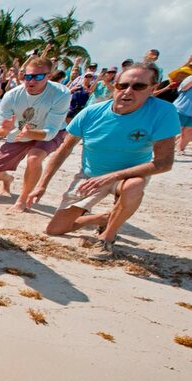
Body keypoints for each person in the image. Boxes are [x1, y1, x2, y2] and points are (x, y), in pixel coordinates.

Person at [27, 63, 180, 260]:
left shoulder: (163, 112)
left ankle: (106, 238)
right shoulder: (91, 113)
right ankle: (104, 218)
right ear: (114, 85)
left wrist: (113, 176)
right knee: (55, 229)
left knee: (135, 185)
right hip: (91, 175)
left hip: (128, 175)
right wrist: (41, 185)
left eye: (138, 87)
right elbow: (63, 150)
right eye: (122, 85)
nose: (128, 91)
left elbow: (163, 163)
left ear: (153, 88)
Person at [0, 57, 70, 210]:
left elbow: (50, 132)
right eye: (28, 76)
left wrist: (30, 132)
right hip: (19, 132)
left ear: (49, 76)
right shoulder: (12, 95)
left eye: (38, 77)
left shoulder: (61, 94)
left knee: (34, 157)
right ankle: (7, 178)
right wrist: (5, 129)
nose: (31, 81)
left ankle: (22, 200)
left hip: (48, 132)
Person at [174, 74, 192, 154]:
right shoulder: (190, 78)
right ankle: (161, 148)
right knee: (175, 130)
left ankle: (180, 149)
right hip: (181, 109)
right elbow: (183, 88)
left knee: (189, 131)